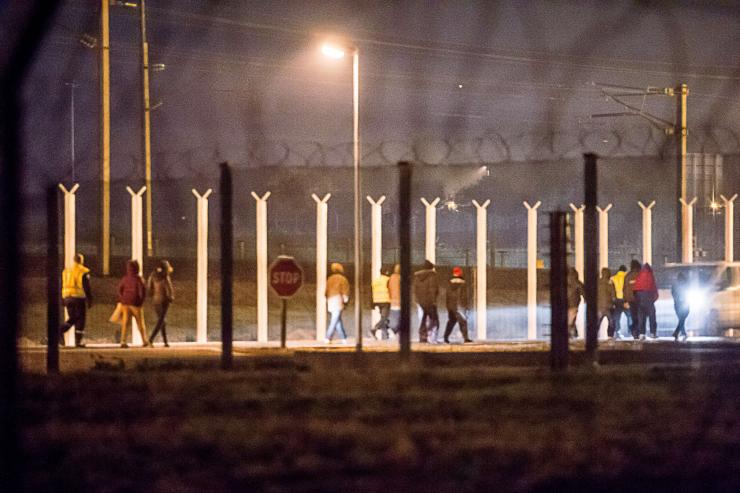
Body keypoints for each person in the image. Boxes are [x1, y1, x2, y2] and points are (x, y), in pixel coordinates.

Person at [59, 253, 93, 347]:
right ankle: (78, 341)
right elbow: (86, 286)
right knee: (81, 320)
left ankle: (59, 331)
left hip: (67, 297)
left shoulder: (66, 271)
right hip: (78, 298)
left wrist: (62, 298)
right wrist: (89, 298)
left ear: (74, 260)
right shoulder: (83, 271)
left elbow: (62, 284)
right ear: (81, 261)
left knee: (73, 318)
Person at [118, 259, 151, 348]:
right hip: (135, 303)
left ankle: (123, 341)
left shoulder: (125, 278)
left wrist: (122, 298)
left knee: (125, 323)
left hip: (125, 303)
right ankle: (144, 341)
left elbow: (120, 289)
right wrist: (140, 301)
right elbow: (142, 291)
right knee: (140, 323)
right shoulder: (138, 279)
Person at [147, 260, 175, 347]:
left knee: (162, 321)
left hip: (156, 300)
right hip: (164, 301)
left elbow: (149, 288)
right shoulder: (165, 276)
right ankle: (150, 339)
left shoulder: (153, 275)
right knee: (161, 321)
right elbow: (169, 288)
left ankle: (165, 342)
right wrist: (171, 297)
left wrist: (152, 295)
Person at [444, 266, 472, 343]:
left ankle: (445, 337)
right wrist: (466, 306)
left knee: (451, 321)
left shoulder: (449, 283)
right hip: (460, 306)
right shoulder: (463, 283)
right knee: (463, 322)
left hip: (451, 306)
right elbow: (464, 296)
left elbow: (447, 296)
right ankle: (466, 338)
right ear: (460, 273)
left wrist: (448, 306)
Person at [414, 260, 440, 343]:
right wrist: (434, 300)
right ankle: (432, 337)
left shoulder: (417, 277)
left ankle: (423, 337)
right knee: (434, 319)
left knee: (423, 319)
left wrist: (417, 300)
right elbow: (433, 289)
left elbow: (415, 289)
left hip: (420, 301)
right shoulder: (432, 276)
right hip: (429, 301)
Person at [325, 262, 350, 344]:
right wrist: (346, 300)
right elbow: (345, 291)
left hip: (330, 300)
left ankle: (344, 338)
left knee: (337, 320)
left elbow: (326, 291)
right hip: (338, 300)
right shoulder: (342, 279)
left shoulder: (329, 279)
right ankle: (328, 337)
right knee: (334, 320)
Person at [633, 262, 659, 340]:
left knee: (641, 316)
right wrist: (653, 299)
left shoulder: (640, 275)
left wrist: (637, 299)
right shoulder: (651, 275)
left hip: (639, 297)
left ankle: (641, 333)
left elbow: (635, 288)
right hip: (648, 297)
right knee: (652, 316)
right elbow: (654, 288)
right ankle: (652, 333)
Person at [370, 267, 391, 340]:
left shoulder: (376, 280)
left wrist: (372, 303)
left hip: (377, 301)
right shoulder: (388, 280)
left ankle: (385, 335)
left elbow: (371, 292)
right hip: (385, 300)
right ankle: (374, 329)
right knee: (384, 318)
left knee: (384, 318)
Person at [623, 260, 642, 339]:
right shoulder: (641, 275)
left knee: (634, 316)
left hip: (630, 299)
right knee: (640, 316)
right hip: (639, 298)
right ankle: (636, 331)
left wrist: (625, 300)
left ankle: (634, 331)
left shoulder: (627, 276)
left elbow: (624, 289)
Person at [610, 265, 628, 339]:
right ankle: (633, 332)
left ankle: (616, 332)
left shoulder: (613, 278)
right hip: (625, 299)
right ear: (625, 271)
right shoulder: (626, 278)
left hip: (616, 300)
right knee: (630, 316)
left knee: (617, 317)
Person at [598, 267, 616, 340]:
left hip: (599, 306)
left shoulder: (598, 282)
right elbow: (613, 294)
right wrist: (614, 303)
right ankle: (610, 336)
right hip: (609, 306)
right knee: (611, 322)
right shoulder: (610, 282)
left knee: (597, 323)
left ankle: (594, 336)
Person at [672, 271, 689, 342]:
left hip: (677, 304)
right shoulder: (685, 285)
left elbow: (673, 293)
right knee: (682, 319)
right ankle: (678, 333)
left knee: (681, 319)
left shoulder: (675, 285)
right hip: (683, 304)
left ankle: (681, 333)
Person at [567, 267, 584, 339]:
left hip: (566, 304)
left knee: (570, 320)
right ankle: (572, 334)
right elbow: (583, 292)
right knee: (571, 320)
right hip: (574, 304)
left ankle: (573, 334)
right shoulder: (577, 282)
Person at [387, 264, 401, 335]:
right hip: (399, 301)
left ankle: (394, 330)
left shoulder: (391, 278)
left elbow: (389, 289)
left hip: (392, 301)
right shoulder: (400, 278)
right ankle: (394, 330)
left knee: (395, 318)